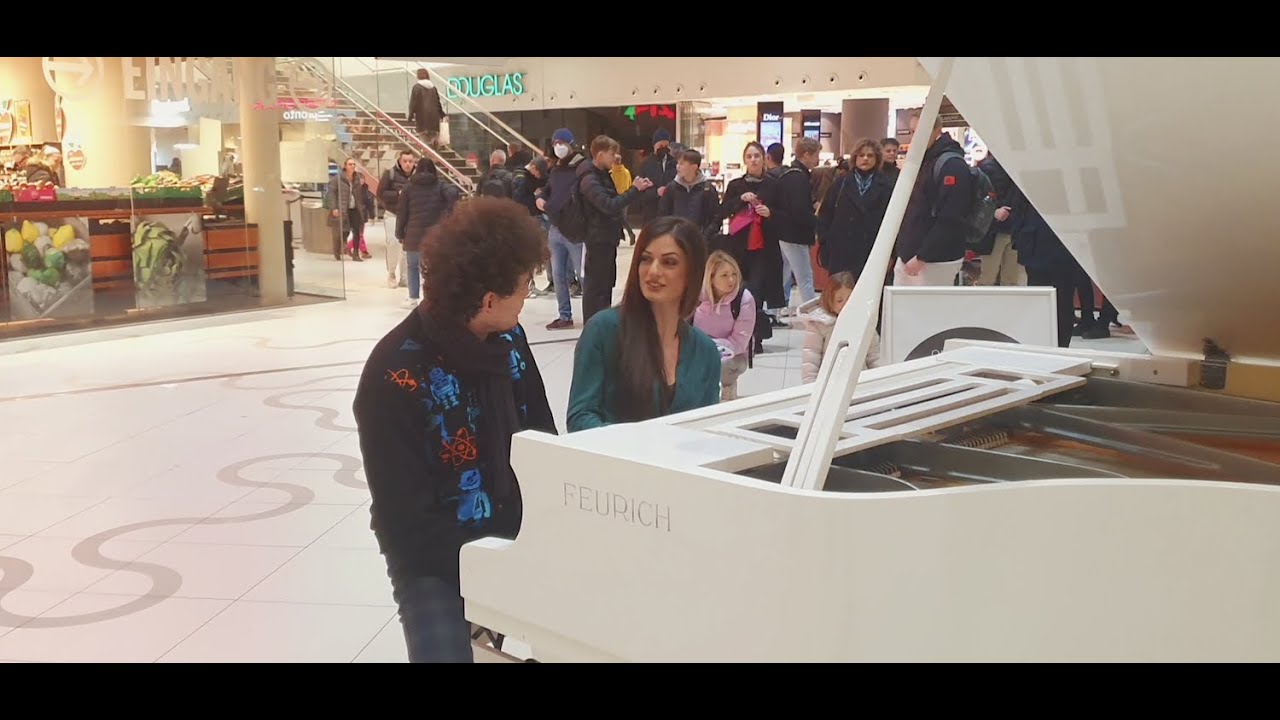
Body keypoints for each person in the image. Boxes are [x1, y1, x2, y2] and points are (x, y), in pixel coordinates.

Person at [354, 197, 556, 664]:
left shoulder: (509, 339)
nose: (527, 297)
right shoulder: (394, 373)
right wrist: (489, 567)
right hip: (433, 559)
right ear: (489, 301)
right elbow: (405, 520)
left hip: (518, 534)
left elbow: (541, 440)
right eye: (524, 287)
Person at [567, 216, 720, 431]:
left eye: (669, 262)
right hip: (615, 462)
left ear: (692, 274)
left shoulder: (706, 351)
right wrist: (639, 446)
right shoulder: (603, 330)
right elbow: (580, 417)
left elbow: (707, 428)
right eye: (646, 259)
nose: (653, 271)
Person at [719, 141, 786, 354]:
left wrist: (771, 213)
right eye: (749, 156)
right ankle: (740, 336)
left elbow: (786, 216)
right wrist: (739, 200)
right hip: (738, 248)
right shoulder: (736, 185)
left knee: (755, 293)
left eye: (757, 156)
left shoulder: (774, 185)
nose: (753, 160)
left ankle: (755, 337)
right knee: (737, 291)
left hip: (764, 248)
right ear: (744, 160)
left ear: (764, 158)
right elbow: (722, 211)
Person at [574, 135, 650, 324]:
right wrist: (634, 190)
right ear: (600, 154)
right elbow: (608, 205)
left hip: (606, 238)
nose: (615, 157)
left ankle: (603, 324)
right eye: (611, 153)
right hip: (597, 239)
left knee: (606, 284)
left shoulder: (601, 175)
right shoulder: (589, 179)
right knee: (596, 287)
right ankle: (593, 326)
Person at [395, 158, 460, 307]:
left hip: (413, 235)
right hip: (434, 236)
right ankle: (432, 299)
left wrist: (400, 233)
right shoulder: (440, 185)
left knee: (412, 267)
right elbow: (453, 195)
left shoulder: (408, 187)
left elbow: (402, 213)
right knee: (432, 269)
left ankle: (412, 298)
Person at [693, 251, 755, 401]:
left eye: (734, 273)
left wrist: (709, 347)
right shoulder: (695, 296)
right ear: (711, 277)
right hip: (697, 350)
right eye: (724, 275)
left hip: (732, 355)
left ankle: (728, 389)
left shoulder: (743, 299)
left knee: (723, 364)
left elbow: (739, 343)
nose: (731, 279)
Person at [797, 271, 879, 384]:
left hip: (859, 381)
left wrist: (878, 379)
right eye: (839, 300)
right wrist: (810, 385)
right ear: (829, 300)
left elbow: (874, 356)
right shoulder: (819, 324)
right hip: (828, 383)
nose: (846, 304)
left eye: (850, 298)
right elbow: (811, 358)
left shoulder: (863, 320)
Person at [656, 148, 721, 242]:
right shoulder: (672, 188)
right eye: (678, 163)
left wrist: (704, 237)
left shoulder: (707, 189)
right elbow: (663, 215)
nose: (678, 167)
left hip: (700, 243)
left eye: (682, 163)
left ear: (694, 167)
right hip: (676, 240)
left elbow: (716, 218)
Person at [378, 151, 415, 289]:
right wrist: (397, 194)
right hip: (392, 213)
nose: (408, 164)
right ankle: (392, 273)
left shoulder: (416, 176)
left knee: (407, 247)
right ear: (400, 161)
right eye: (405, 161)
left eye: (410, 161)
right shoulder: (390, 174)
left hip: (409, 216)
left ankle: (404, 276)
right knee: (392, 242)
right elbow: (380, 193)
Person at [407, 68, 446, 148]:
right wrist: (442, 115)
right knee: (434, 144)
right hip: (434, 122)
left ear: (418, 76)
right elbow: (438, 103)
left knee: (425, 145)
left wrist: (410, 117)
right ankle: (435, 158)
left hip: (422, 121)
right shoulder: (433, 88)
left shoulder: (416, 87)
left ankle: (428, 158)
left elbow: (413, 103)